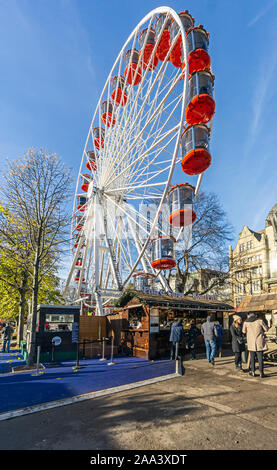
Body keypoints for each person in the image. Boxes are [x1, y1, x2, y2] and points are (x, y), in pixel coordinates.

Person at [242, 312, 268, 378]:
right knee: (260, 358)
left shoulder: (246, 322)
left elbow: (243, 331)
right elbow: (266, 329)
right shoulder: (260, 321)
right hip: (259, 342)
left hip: (251, 343)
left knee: (252, 358)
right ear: (255, 315)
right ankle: (261, 373)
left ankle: (253, 372)